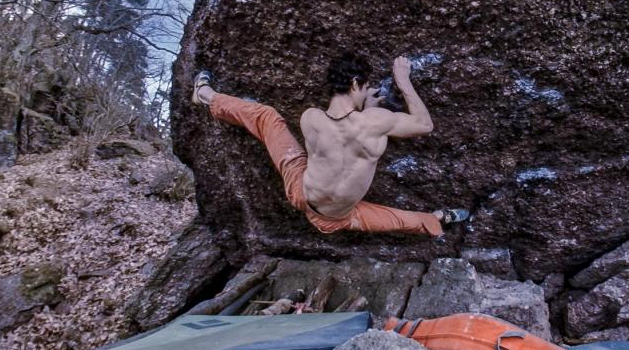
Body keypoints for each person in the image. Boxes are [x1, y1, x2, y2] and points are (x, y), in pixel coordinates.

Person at [190, 52, 468, 237]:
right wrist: (403, 80)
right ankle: (439, 218)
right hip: (337, 218)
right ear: (356, 83)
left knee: (266, 117)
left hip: (301, 193)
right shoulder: (375, 122)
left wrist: (363, 106)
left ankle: (205, 94)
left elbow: (340, 129)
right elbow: (424, 125)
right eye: (365, 87)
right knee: (402, 220)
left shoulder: (311, 119)